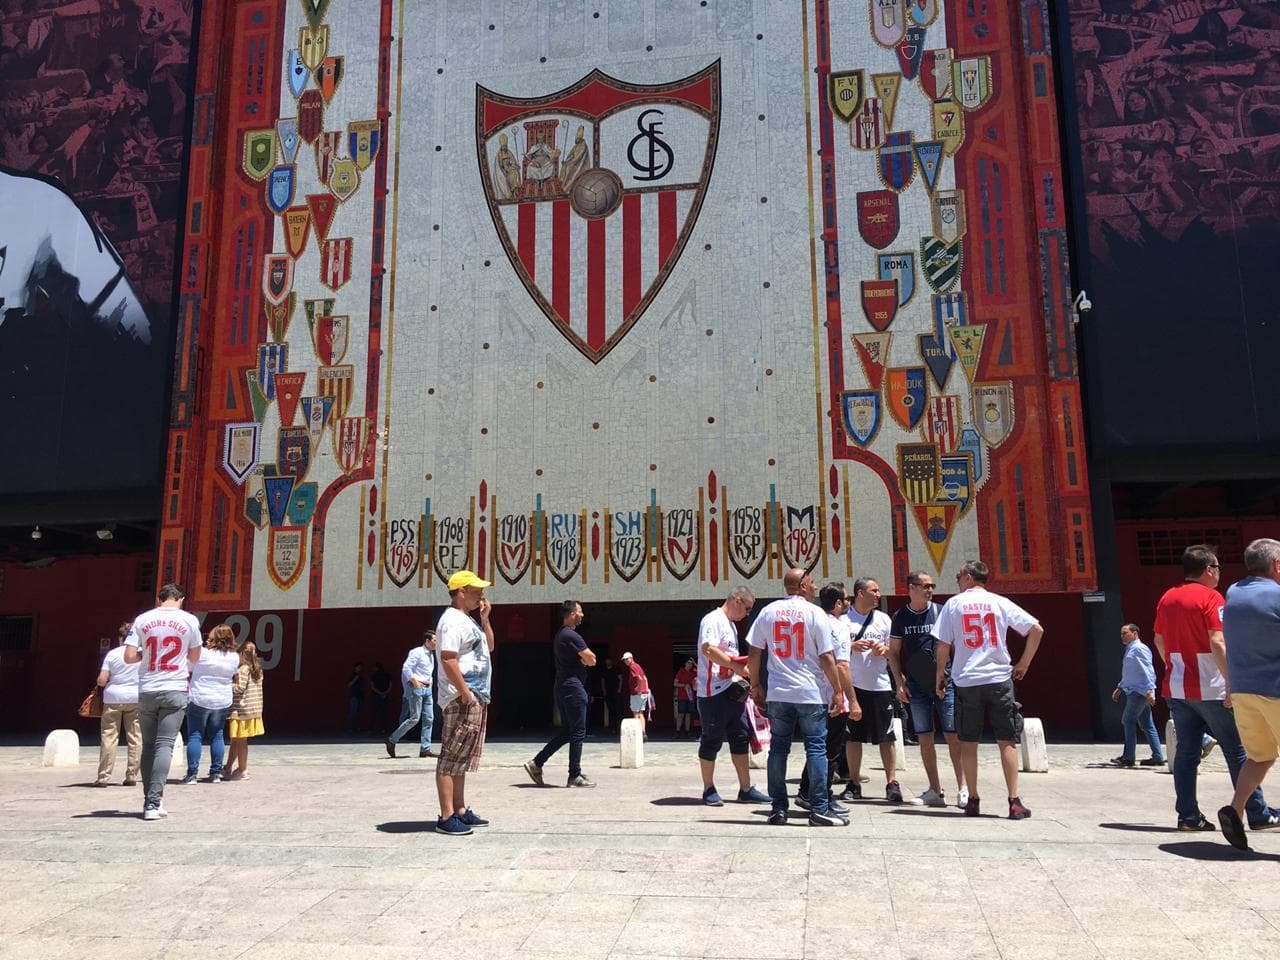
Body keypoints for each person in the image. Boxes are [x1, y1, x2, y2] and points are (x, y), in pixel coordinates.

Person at [1154, 543, 1279, 833]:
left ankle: (1188, 816)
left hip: (1176, 686)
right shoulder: (1212, 598)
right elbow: (1217, 641)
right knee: (1238, 750)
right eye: (1218, 568)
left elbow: (1160, 641)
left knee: (1186, 754)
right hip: (1211, 685)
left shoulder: (1167, 597)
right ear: (1209, 570)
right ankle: (1257, 813)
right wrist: (1229, 681)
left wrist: (1174, 668)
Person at [933, 560, 1043, 820]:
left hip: (967, 680)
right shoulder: (999, 602)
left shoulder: (953, 604)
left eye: (959, 575)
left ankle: (973, 799)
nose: (958, 579)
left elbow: (943, 644)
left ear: (969, 577)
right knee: (1007, 741)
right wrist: (1024, 664)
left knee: (968, 742)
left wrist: (940, 674)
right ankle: (1013, 801)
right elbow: (1036, 629)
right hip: (998, 679)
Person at [746, 568, 847, 826]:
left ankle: (778, 808)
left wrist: (755, 684)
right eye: (812, 583)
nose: (815, 588)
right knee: (816, 748)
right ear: (802, 585)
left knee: (778, 749)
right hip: (810, 692)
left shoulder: (768, 612)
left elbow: (755, 651)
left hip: (779, 692)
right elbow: (826, 656)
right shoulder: (815, 614)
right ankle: (820, 808)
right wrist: (837, 690)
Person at [1218, 538, 1280, 849]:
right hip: (1276, 690)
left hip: (1243, 690)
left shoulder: (1233, 594)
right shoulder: (1277, 595)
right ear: (1277, 564)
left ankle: (1236, 810)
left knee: (1259, 756)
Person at [122, 583, 202, 821]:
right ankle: (154, 802)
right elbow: (196, 656)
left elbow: (128, 656)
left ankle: (150, 801)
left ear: (159, 599)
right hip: (175, 686)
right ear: (181, 599)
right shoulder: (189, 620)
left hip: (148, 687)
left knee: (148, 746)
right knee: (165, 744)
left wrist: (144, 656)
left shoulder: (142, 619)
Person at [889, 571, 968, 807]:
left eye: (932, 585)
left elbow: (952, 645)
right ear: (911, 588)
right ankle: (934, 789)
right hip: (916, 684)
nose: (930, 589)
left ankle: (963, 788)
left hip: (944, 680)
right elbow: (893, 652)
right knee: (924, 737)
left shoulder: (942, 611)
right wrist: (899, 682)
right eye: (924, 586)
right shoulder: (901, 616)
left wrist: (943, 676)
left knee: (953, 735)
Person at [694, 586, 770, 806]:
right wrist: (736, 667)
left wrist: (739, 671)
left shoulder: (730, 626)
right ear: (737, 600)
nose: (746, 614)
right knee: (711, 740)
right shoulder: (713, 620)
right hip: (712, 692)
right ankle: (708, 788)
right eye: (747, 609)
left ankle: (746, 788)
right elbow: (708, 650)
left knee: (740, 737)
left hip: (731, 690)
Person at [435, 570, 495, 836]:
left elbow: (490, 647)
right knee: (451, 755)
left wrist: (485, 619)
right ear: (461, 592)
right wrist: (465, 692)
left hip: (474, 695)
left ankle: (459, 811)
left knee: (462, 757)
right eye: (477, 590)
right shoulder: (451, 621)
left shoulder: (468, 620)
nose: (481, 595)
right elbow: (448, 659)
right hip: (462, 697)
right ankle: (446, 815)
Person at [798, 583, 860, 811]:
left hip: (812, 693)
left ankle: (807, 791)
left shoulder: (813, 621)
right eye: (846, 600)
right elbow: (842, 665)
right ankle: (820, 795)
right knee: (830, 751)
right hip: (833, 697)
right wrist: (851, 700)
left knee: (818, 748)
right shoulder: (839, 626)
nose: (848, 603)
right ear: (837, 604)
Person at [842, 578, 902, 803]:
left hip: (880, 685)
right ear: (860, 594)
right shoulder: (844, 620)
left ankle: (891, 782)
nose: (878, 594)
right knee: (853, 737)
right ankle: (854, 783)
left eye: (878, 590)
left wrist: (883, 650)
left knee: (887, 737)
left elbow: (892, 652)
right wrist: (851, 646)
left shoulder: (884, 619)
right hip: (854, 686)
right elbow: (831, 652)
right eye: (874, 590)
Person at [525, 601, 597, 787]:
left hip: (563, 688)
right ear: (572, 613)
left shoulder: (561, 635)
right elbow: (592, 659)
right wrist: (586, 660)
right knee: (578, 732)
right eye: (580, 612)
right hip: (573, 689)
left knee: (567, 732)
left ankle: (537, 763)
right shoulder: (571, 635)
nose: (582, 615)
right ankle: (574, 775)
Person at [182, 624, 239, 784]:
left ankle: (192, 774)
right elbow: (233, 673)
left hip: (200, 697)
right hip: (222, 700)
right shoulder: (234, 656)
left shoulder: (203, 653)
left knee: (195, 735)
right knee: (217, 735)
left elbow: (188, 666)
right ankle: (215, 773)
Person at [1109, 624, 1165, 768]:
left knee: (1127, 721)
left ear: (1135, 633)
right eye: (1121, 634)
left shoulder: (1139, 649)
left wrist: (1150, 690)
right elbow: (1130, 672)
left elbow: (1148, 670)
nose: (1122, 636)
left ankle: (1128, 757)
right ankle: (1158, 756)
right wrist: (1120, 687)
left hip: (1139, 692)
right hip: (1134, 690)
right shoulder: (1130, 649)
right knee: (1147, 724)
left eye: (1125, 633)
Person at [95, 620, 140, 787]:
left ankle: (103, 777)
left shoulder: (112, 654)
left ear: (120, 637)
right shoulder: (141, 655)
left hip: (113, 698)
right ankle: (132, 775)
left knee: (109, 737)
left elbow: (102, 680)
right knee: (135, 738)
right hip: (135, 698)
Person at [385, 631, 437, 759]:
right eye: (435, 640)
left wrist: (430, 683)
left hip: (427, 689)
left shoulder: (431, 654)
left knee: (429, 719)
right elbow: (406, 667)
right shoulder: (417, 652)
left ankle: (425, 748)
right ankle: (392, 740)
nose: (437, 642)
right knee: (414, 718)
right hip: (417, 688)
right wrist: (414, 682)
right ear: (427, 641)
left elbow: (428, 672)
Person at [225, 640, 265, 781]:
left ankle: (243, 769)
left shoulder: (243, 670)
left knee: (241, 742)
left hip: (241, 711)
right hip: (253, 709)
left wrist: (226, 684)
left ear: (242, 654)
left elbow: (239, 688)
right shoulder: (257, 669)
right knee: (236, 740)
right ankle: (228, 767)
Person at [621, 651, 651, 736]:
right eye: (624, 660)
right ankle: (643, 732)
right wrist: (646, 688)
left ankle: (637, 733)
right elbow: (645, 678)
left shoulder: (633, 667)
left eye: (627, 659)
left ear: (631, 658)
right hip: (644, 693)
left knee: (635, 713)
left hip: (637, 693)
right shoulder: (638, 666)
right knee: (641, 712)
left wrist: (639, 689)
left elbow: (640, 679)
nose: (626, 661)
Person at [674, 657, 697, 735]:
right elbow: (675, 683)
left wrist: (695, 664)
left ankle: (687, 731)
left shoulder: (694, 672)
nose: (690, 665)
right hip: (682, 697)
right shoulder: (681, 672)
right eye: (688, 663)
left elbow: (701, 672)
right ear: (685, 664)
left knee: (688, 714)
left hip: (690, 697)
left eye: (691, 664)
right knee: (681, 714)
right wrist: (684, 685)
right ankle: (678, 731)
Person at [370, 662, 393, 734]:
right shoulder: (387, 675)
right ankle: (384, 728)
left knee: (375, 712)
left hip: (376, 695)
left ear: (376, 668)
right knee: (384, 712)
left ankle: (374, 729)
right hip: (385, 696)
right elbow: (390, 685)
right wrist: (385, 693)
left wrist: (379, 693)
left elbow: (372, 686)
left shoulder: (374, 675)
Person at [347, 660, 365, 733]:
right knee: (353, 712)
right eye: (359, 667)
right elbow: (349, 685)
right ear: (355, 667)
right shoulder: (352, 675)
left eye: (361, 667)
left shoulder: (361, 676)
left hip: (360, 696)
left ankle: (357, 728)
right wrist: (355, 679)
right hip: (354, 696)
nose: (360, 668)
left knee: (359, 713)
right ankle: (350, 728)